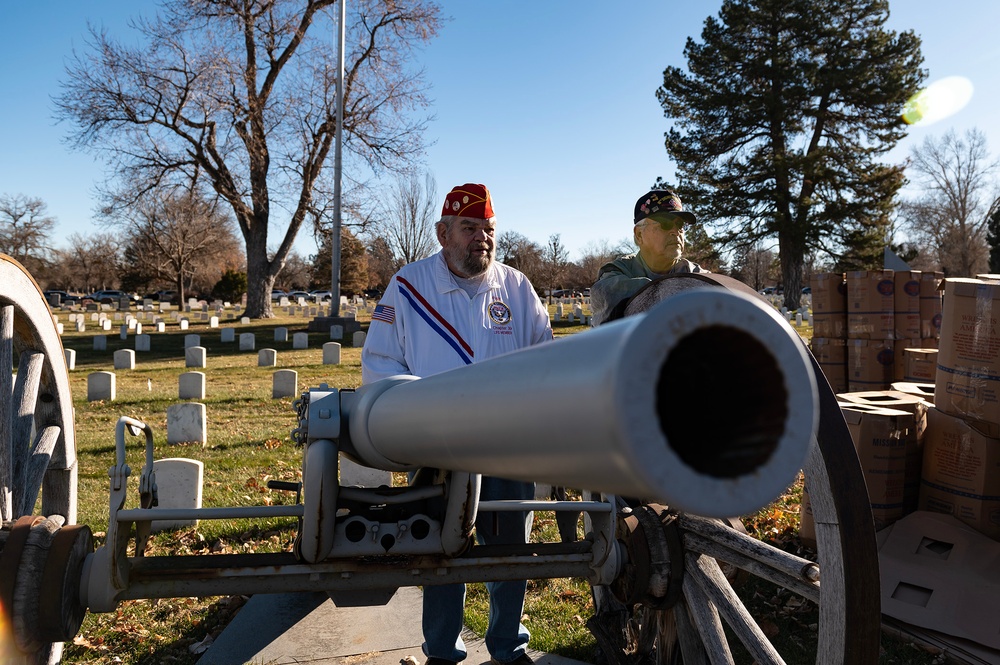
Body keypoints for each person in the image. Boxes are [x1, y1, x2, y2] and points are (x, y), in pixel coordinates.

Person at [361, 183, 553, 665]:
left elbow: (547, 357)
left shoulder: (516, 286)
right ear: (443, 232)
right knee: (442, 553)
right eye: (470, 228)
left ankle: (508, 648)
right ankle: (442, 652)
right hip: (435, 445)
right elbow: (380, 362)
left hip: (507, 445)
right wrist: (412, 421)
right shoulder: (408, 286)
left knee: (510, 552)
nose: (482, 239)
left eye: (488, 229)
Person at [590, 189, 707, 325]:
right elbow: (606, 294)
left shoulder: (693, 272)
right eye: (665, 224)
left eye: (680, 225)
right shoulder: (617, 272)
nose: (675, 232)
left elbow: (720, 292)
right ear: (639, 234)